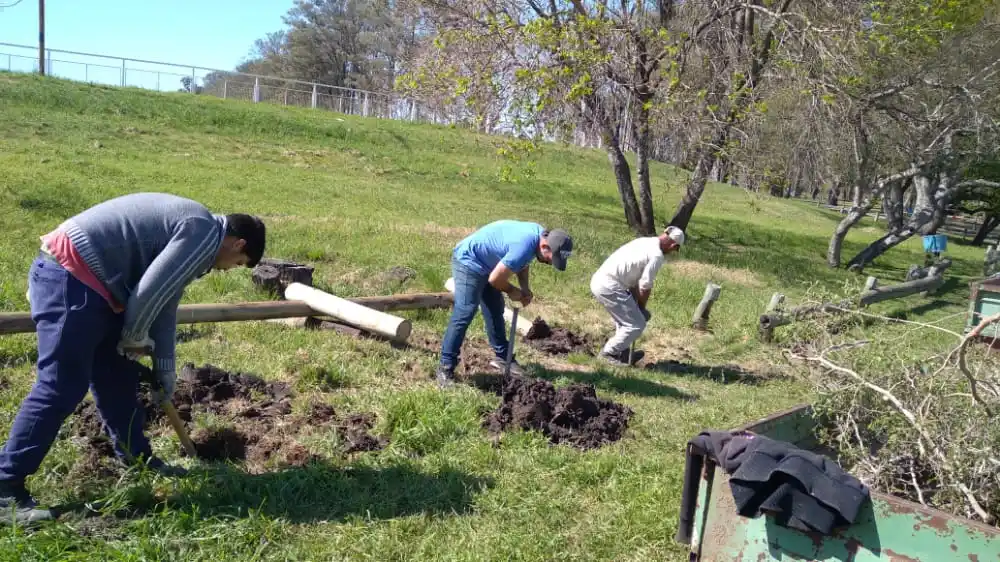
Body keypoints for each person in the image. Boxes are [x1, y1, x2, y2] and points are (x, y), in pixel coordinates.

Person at [0, 192, 266, 525]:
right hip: (71, 279)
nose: (229, 270)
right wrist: (135, 335)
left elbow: (165, 304)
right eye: (238, 264)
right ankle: (6, 488)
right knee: (60, 387)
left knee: (117, 379)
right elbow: (150, 293)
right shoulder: (202, 232)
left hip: (91, 285)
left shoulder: (200, 233)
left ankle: (136, 458)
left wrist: (165, 369)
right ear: (238, 244)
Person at [436, 220, 573, 388]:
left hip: (490, 265)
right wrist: (512, 291)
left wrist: (524, 288)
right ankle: (445, 366)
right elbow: (496, 279)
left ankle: (503, 358)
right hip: (469, 261)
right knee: (466, 310)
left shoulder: (537, 238)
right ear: (545, 246)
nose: (551, 263)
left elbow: (522, 263)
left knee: (495, 310)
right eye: (552, 259)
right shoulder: (524, 245)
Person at [590, 226, 684, 366]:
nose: (672, 252)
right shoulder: (656, 255)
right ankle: (608, 354)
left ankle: (622, 353)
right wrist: (641, 307)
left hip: (601, 279)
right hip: (610, 285)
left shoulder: (643, 242)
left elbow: (633, 277)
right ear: (673, 245)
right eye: (675, 249)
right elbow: (645, 285)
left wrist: (635, 304)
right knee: (635, 324)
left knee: (626, 320)